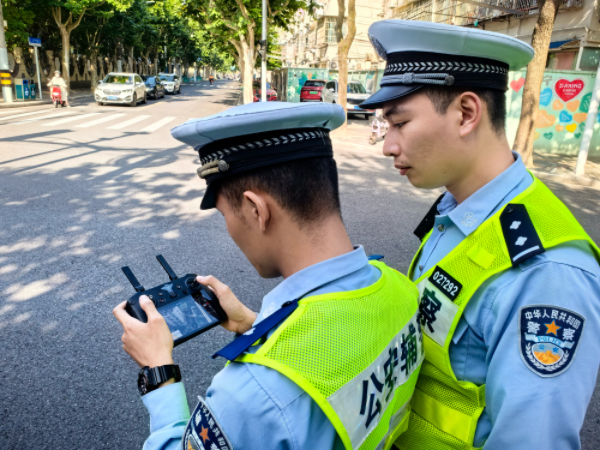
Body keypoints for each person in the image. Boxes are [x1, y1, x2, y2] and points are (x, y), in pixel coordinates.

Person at [113, 102, 424, 450]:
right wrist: (254, 323)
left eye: (225, 215)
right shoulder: (398, 286)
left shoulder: (255, 394)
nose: (229, 229)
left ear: (256, 209)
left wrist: (159, 370)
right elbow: (334, 343)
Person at [359, 20, 600, 449]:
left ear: (467, 113)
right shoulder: (459, 209)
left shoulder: (547, 275)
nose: (388, 146)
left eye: (400, 123)